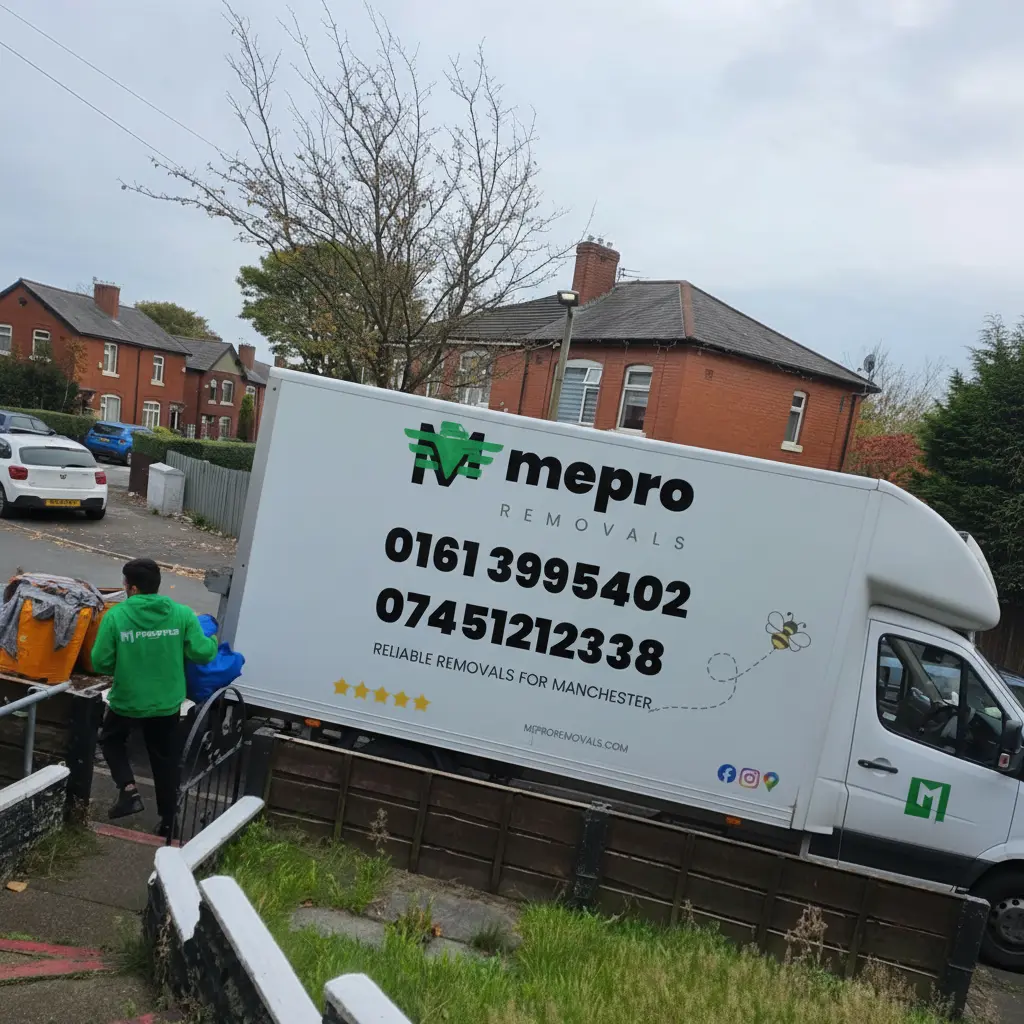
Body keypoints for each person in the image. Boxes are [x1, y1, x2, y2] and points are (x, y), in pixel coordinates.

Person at [91, 557, 218, 838]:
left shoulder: (116, 616)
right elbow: (203, 653)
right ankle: (169, 823)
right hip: (166, 703)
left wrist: (126, 664)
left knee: (111, 740)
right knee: (164, 761)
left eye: (125, 584)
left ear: (133, 588)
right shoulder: (181, 614)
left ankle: (128, 790)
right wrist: (212, 639)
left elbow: (100, 662)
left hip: (127, 699)